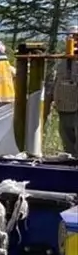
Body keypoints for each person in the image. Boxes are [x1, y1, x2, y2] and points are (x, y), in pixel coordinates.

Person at [44, 26, 78, 157]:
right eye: (69, 36)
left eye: (75, 36)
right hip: (64, 107)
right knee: (67, 144)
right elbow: (55, 83)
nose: (71, 39)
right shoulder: (63, 60)